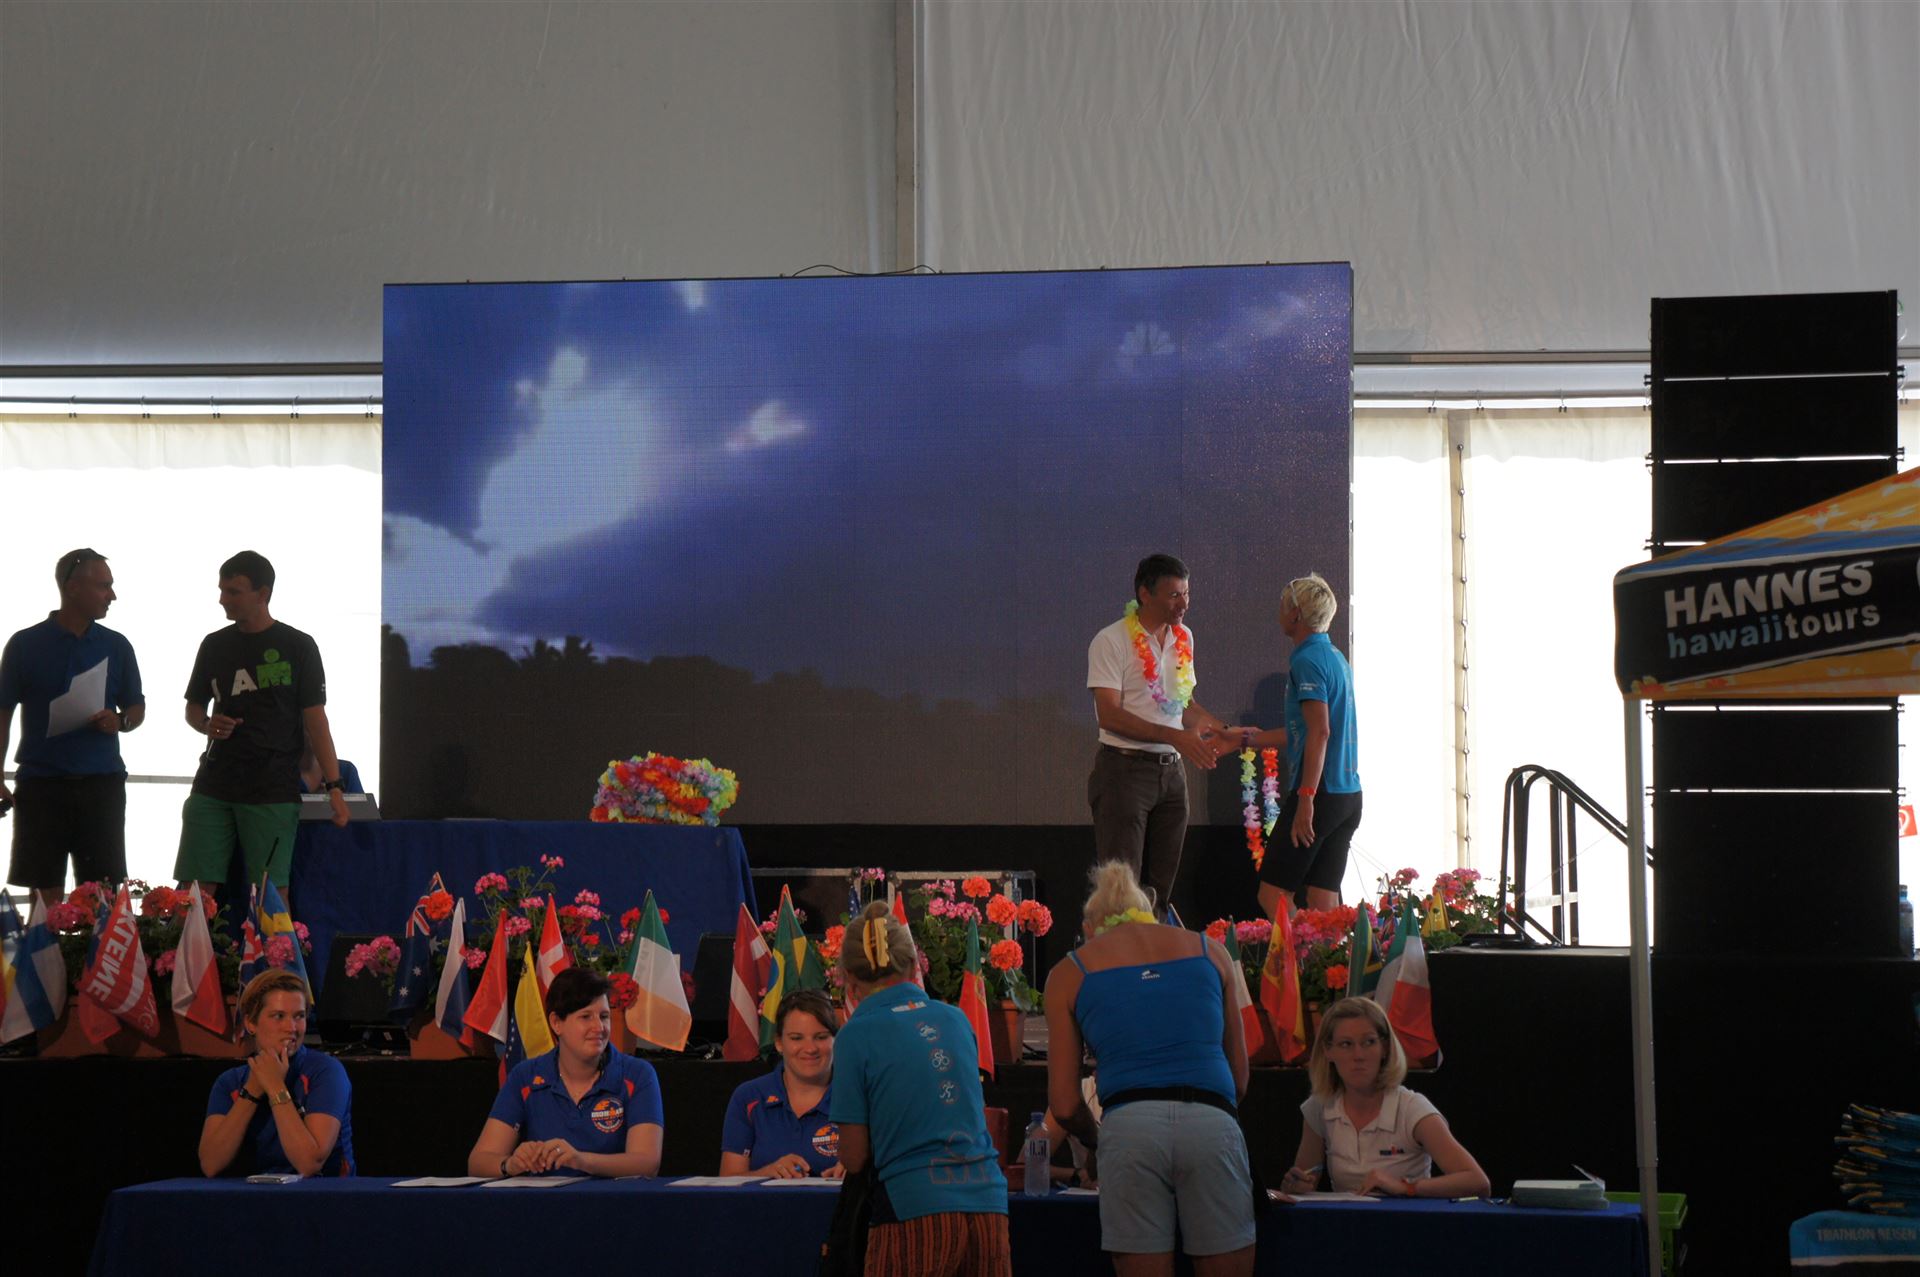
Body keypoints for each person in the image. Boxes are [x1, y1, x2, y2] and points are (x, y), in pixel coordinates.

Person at [1045, 861, 1254, 1277]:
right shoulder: (1210, 951)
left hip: (1129, 1129)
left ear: (1089, 928)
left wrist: (1095, 1142)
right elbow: (1239, 1080)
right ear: (1149, 914)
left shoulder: (1070, 972)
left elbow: (1065, 1104)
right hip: (1211, 1120)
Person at [831, 902, 1009, 1277]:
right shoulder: (956, 1019)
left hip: (913, 1209)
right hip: (988, 1202)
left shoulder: (855, 1035)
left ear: (848, 978)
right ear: (914, 965)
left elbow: (855, 1156)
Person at [174, 550, 348, 903]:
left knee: (270, 893)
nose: (223, 600)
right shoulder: (214, 644)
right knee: (194, 892)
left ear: (263, 593)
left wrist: (334, 787)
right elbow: (193, 708)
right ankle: (187, 942)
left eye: (234, 592)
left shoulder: (298, 646)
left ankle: (275, 944)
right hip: (213, 783)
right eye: (222, 590)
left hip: (272, 788)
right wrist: (207, 724)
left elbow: (317, 721)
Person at [1087, 554, 1233, 915]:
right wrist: (1174, 736)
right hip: (1124, 772)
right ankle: (1121, 950)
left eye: (1186, 593)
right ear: (1144, 594)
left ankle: (1155, 949)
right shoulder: (1111, 640)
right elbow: (1109, 715)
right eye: (1174, 595)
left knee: (1160, 892)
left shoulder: (1184, 637)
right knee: (1121, 892)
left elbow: (1183, 705)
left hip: (1172, 774)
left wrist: (1225, 730)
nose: (1184, 604)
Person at [1, 548, 145, 900]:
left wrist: (120, 721)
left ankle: (93, 941)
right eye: (103, 586)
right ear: (73, 588)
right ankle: (44, 939)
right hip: (41, 784)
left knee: (102, 892)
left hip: (102, 783)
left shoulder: (116, 645)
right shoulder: (25, 644)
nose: (112, 595)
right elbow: (3, 712)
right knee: (43, 891)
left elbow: (136, 707)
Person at [1236, 573, 1362, 917]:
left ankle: (1301, 954)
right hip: (1347, 797)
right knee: (1323, 902)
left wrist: (1306, 799)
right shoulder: (1334, 656)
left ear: (1296, 614)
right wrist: (1244, 739)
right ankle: (1327, 954)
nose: (1278, 611)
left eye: (1282, 605)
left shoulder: (1306, 661)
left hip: (1320, 794)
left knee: (1273, 894)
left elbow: (1320, 732)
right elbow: (1303, 732)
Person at [1280, 997, 1488, 1199]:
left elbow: (1477, 1182)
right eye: (1346, 1044)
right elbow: (1303, 1184)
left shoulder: (1412, 1108)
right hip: (1346, 1220)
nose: (1358, 1055)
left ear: (1385, 1048)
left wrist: (1405, 1187)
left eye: (1369, 1042)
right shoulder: (1320, 1106)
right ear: (1328, 1051)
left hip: (1407, 1220)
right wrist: (1295, 1186)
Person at [468, 967, 664, 1178]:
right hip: (542, 1199)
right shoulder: (525, 1076)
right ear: (556, 1023)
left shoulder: (638, 1074)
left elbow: (647, 1163)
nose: (599, 1027)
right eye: (586, 1017)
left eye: (604, 1016)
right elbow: (478, 1162)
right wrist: (510, 1164)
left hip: (612, 1198)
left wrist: (581, 1161)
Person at [199, 969, 355, 1177]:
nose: (292, 1028)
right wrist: (252, 1090)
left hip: (320, 1193)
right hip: (251, 1194)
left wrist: (275, 1087)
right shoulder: (230, 1082)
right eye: (278, 1016)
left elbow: (309, 1163)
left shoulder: (326, 1071)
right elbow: (210, 1165)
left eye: (299, 1016)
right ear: (251, 1023)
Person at [720, 987, 844, 1178]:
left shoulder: (859, 1095)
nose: (810, 1048)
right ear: (779, 1042)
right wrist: (768, 1173)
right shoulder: (749, 1097)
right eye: (796, 1038)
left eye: (821, 1037)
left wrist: (858, 1176)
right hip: (764, 1200)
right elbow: (727, 1180)